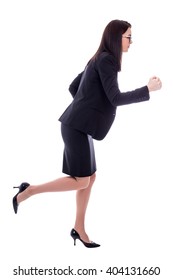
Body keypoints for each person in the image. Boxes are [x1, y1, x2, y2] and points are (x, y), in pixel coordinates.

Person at [12, 19, 162, 248]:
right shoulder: (107, 60)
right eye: (129, 37)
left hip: (79, 126)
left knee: (90, 178)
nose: (132, 42)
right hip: (76, 127)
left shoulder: (99, 58)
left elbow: (74, 87)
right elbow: (116, 98)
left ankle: (78, 228)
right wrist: (147, 89)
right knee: (81, 181)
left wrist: (87, 112)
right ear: (116, 37)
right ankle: (29, 190)